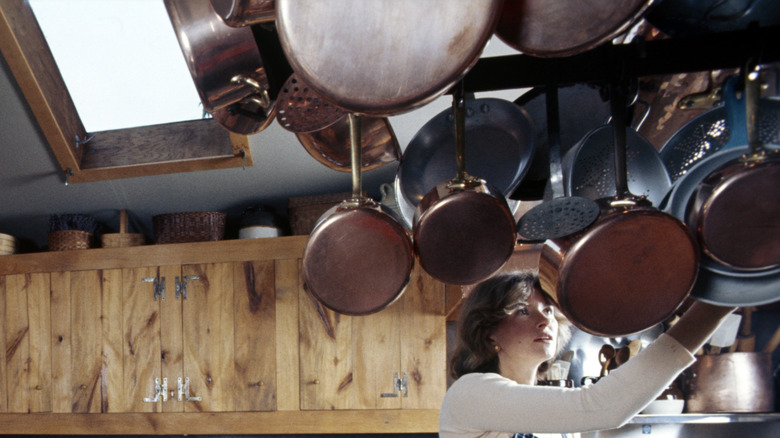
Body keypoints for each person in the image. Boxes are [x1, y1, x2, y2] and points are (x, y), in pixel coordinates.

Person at [439, 271, 737, 438]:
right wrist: (719, 304)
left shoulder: (547, 410)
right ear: (488, 331)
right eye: (522, 311)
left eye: (547, 310)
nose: (544, 321)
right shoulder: (470, 393)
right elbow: (603, 406)